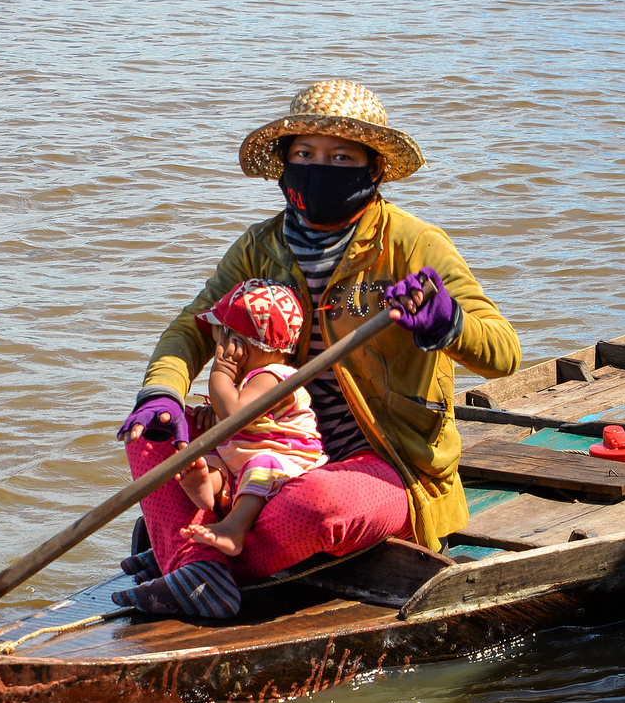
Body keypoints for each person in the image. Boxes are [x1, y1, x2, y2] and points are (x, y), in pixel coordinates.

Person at [114, 79, 520, 620]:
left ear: (372, 169)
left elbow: (503, 352)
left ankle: (185, 559)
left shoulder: (415, 244)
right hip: (266, 448)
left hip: (382, 464)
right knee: (150, 435)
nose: (318, 166)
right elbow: (190, 328)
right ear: (284, 164)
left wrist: (446, 323)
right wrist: (161, 392)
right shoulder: (262, 246)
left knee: (318, 509)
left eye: (340, 156)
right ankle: (195, 563)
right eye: (304, 153)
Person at [177, 279, 327, 557]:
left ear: (239, 345)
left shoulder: (274, 378)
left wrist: (221, 371)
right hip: (248, 454)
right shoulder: (251, 381)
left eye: (220, 340)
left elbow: (236, 413)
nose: (217, 348)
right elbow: (237, 414)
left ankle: (233, 529)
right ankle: (205, 486)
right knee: (214, 462)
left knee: (261, 465)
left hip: (288, 460)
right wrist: (213, 413)